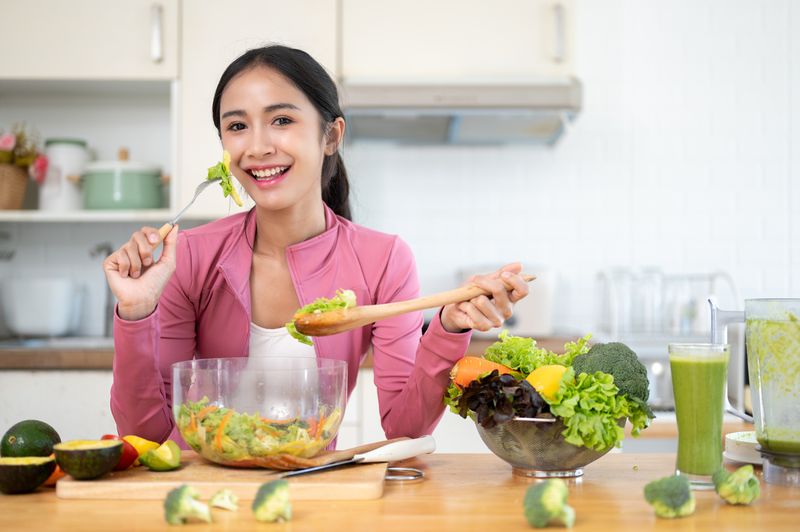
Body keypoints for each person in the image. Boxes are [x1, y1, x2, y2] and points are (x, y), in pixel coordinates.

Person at [104, 44, 530, 447]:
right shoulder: (191, 254)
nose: (257, 147)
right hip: (205, 499)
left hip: (312, 494)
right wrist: (136, 313)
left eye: (282, 120)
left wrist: (450, 327)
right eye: (237, 126)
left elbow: (405, 426)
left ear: (330, 136)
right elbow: (148, 435)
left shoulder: (383, 260)